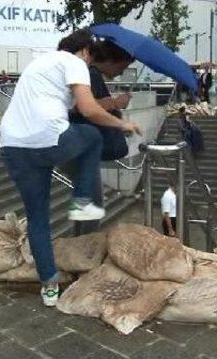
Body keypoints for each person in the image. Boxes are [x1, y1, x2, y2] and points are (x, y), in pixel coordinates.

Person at [0, 29, 141, 307]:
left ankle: (49, 286)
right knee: (91, 137)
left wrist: (108, 104)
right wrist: (122, 123)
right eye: (90, 58)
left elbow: (75, 105)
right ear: (85, 51)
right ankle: (84, 201)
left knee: (37, 218)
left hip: (13, 147)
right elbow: (88, 110)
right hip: (50, 139)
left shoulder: (40, 63)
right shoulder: (75, 62)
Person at [67, 40, 135, 236]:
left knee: (84, 201)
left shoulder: (87, 73)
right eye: (124, 65)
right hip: (83, 147)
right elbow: (84, 107)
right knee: (93, 204)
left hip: (76, 145)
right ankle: (83, 249)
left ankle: (77, 244)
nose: (122, 71)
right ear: (114, 60)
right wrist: (116, 103)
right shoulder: (91, 74)